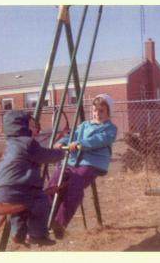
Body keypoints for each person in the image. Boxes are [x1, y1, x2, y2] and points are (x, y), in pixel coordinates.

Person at [49, 94, 117, 239]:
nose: (97, 114)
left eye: (101, 111)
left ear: (108, 112)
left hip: (92, 162)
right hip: (72, 160)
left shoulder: (110, 128)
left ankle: (60, 223)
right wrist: (63, 141)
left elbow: (99, 140)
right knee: (54, 182)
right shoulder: (84, 125)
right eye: (95, 110)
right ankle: (45, 218)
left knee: (75, 184)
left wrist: (80, 144)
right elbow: (71, 135)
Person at [0, 110, 64, 246]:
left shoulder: (10, 144)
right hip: (16, 187)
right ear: (22, 127)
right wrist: (61, 152)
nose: (36, 129)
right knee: (40, 201)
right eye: (32, 126)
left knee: (19, 207)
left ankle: (17, 232)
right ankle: (37, 235)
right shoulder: (28, 143)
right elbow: (46, 156)